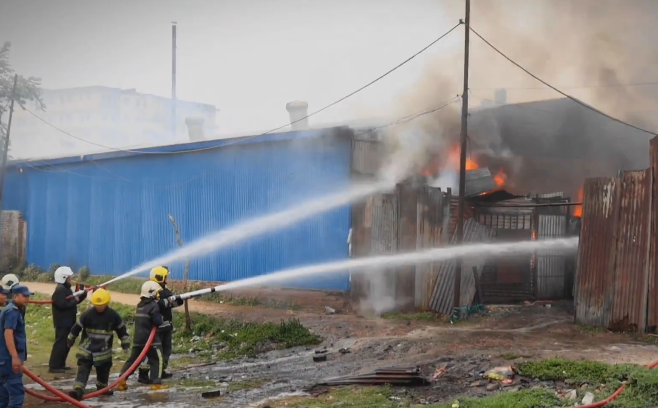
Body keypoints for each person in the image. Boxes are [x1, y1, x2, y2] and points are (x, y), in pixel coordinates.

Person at [66, 288, 130, 401]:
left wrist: (125, 344)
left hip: (103, 351)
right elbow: (77, 327)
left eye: (102, 305)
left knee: (104, 370)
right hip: (86, 350)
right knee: (83, 370)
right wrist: (70, 339)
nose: (99, 307)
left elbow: (121, 330)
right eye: (97, 305)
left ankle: (102, 388)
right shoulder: (87, 314)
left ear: (107, 303)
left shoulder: (113, 315)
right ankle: (78, 390)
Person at [137, 266, 183, 383]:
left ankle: (160, 371)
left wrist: (178, 300)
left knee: (166, 351)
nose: (168, 278)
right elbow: (161, 304)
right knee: (152, 353)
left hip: (166, 326)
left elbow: (173, 303)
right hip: (156, 329)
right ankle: (143, 374)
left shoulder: (165, 291)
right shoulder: (154, 292)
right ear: (160, 278)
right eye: (166, 276)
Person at [117, 281, 166, 391]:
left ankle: (122, 380)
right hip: (151, 340)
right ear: (151, 293)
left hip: (138, 340)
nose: (158, 295)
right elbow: (157, 322)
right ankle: (156, 383)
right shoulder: (154, 306)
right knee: (157, 360)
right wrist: (161, 316)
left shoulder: (140, 305)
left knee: (133, 361)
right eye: (157, 292)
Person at [49, 266, 87, 373]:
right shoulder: (60, 290)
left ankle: (61, 364)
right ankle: (54, 366)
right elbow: (62, 304)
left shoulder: (66, 289)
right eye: (69, 277)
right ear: (63, 277)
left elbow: (73, 301)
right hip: (62, 322)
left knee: (66, 343)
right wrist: (75, 299)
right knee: (60, 343)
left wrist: (82, 294)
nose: (70, 279)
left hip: (68, 320)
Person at [0, 285, 33, 408]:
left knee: (4, 396)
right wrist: (14, 357)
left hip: (3, 359)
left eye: (28, 296)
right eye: (24, 296)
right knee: (17, 395)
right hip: (9, 360)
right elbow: (8, 334)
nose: (27, 299)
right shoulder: (12, 312)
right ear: (15, 296)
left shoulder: (11, 310)